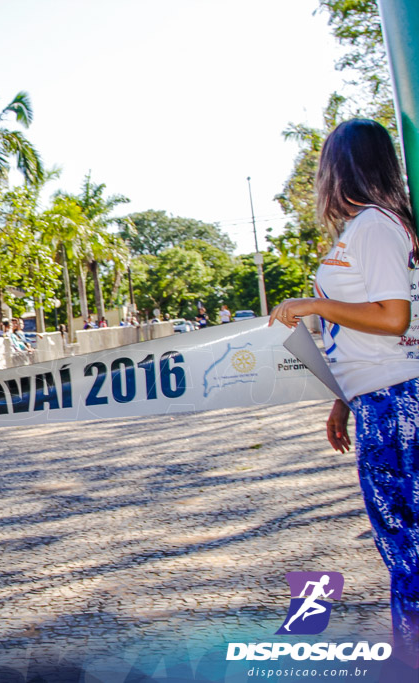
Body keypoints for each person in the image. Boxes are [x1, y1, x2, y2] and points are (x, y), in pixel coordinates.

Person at [269, 118, 419, 663]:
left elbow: (393, 316)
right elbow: (362, 327)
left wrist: (314, 305)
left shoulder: (376, 226)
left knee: (408, 545)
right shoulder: (362, 229)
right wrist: (343, 397)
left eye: (324, 164)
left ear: (344, 167)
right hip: (377, 397)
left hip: (401, 399)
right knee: (399, 541)